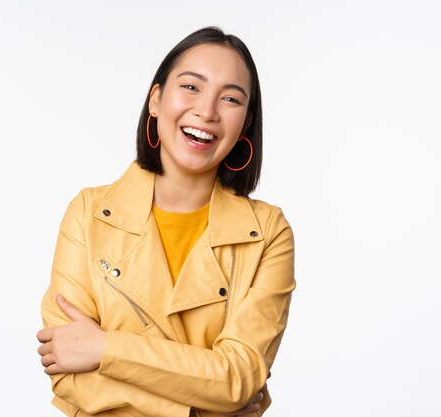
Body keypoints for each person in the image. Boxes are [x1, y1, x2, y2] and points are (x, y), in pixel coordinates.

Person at [36, 26, 295, 417]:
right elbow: (69, 376)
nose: (206, 111)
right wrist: (203, 407)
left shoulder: (268, 233)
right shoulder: (89, 214)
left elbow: (239, 377)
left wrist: (106, 348)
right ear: (156, 100)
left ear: (245, 122)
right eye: (191, 87)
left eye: (230, 98)